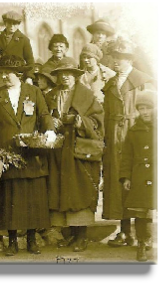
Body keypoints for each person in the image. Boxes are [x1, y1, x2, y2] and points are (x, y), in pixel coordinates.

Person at [0, 55, 56, 256]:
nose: (4, 76)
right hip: (6, 153)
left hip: (30, 153)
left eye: (8, 72)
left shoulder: (33, 92)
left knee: (33, 195)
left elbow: (44, 116)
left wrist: (49, 132)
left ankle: (32, 240)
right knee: (9, 197)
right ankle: (13, 241)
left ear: (18, 74)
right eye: (2, 72)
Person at [45, 57, 105, 252]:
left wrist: (80, 122)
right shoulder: (51, 95)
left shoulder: (86, 95)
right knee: (62, 189)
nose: (65, 77)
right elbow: (44, 116)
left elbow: (97, 121)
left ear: (75, 76)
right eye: (61, 74)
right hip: (59, 150)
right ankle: (70, 234)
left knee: (80, 189)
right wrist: (49, 123)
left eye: (69, 74)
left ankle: (82, 236)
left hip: (79, 149)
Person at [102, 38, 156, 248]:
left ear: (129, 59)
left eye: (120, 57)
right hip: (115, 138)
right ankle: (125, 232)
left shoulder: (143, 81)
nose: (115, 61)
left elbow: (151, 111)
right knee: (119, 181)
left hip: (137, 136)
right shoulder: (110, 84)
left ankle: (144, 235)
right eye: (113, 57)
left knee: (140, 183)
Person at [119, 90, 158, 262]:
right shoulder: (134, 131)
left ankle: (148, 238)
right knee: (141, 212)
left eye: (147, 108)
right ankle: (142, 243)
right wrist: (126, 177)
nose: (144, 112)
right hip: (140, 176)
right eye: (141, 108)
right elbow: (127, 155)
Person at [0, 11, 35, 85]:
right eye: (9, 23)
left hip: (18, 76)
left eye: (15, 23)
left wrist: (29, 77)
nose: (12, 26)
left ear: (18, 24)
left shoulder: (24, 40)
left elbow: (30, 60)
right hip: (1, 76)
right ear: (5, 23)